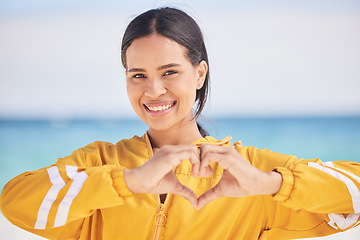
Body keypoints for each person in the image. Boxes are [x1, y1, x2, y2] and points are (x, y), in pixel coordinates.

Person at [1, 7, 360, 240]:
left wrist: (269, 183)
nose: (153, 90)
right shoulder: (100, 164)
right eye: (138, 75)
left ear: (199, 73)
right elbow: (14, 201)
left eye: (169, 71)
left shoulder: (247, 172)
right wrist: (128, 181)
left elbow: (353, 199)